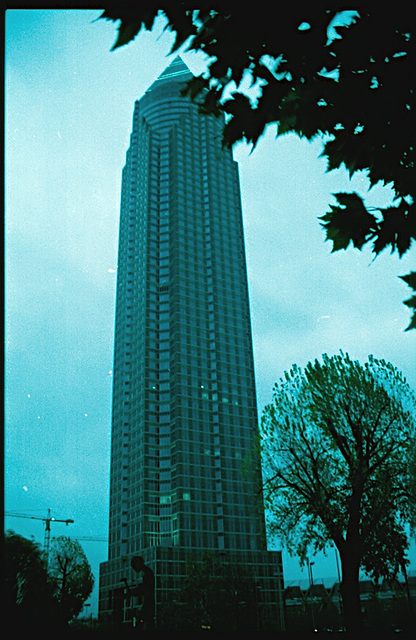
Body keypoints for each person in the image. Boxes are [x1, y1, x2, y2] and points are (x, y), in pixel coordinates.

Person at [122, 556, 155, 630]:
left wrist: (133, 592)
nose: (134, 569)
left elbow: (145, 589)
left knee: (142, 622)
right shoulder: (147, 572)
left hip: (149, 603)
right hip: (148, 603)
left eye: (134, 566)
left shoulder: (147, 573)